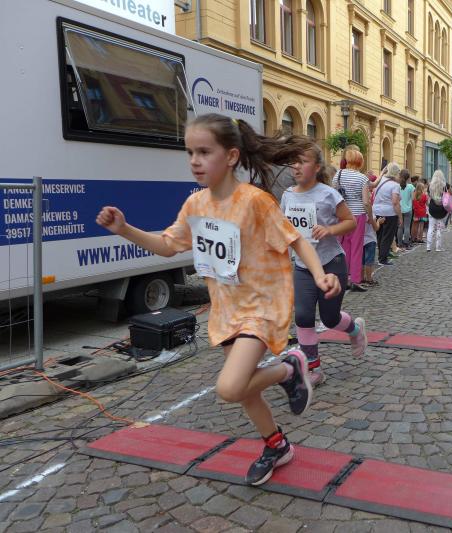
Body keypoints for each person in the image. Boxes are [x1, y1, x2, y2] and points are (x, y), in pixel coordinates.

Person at [96, 114, 340, 485]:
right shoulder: (195, 205)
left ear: (230, 156)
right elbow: (167, 245)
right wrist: (124, 229)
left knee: (229, 387)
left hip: (261, 306)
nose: (194, 161)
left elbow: (296, 241)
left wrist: (320, 275)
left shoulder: (255, 201)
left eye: (204, 152)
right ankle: (276, 445)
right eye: (190, 153)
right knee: (245, 390)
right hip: (226, 310)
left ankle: (290, 369)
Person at [281, 145, 367, 387]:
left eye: (302, 161)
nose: (296, 166)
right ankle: (313, 369)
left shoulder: (328, 194)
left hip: (331, 263)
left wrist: (329, 230)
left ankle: (355, 330)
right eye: (293, 161)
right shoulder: (287, 195)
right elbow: (283, 229)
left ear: (317, 167)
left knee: (329, 319)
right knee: (303, 316)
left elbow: (350, 222)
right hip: (302, 267)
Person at [332, 148, 370, 291]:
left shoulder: (338, 175)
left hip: (342, 214)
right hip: (358, 214)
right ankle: (355, 279)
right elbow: (366, 202)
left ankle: (344, 277)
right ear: (360, 162)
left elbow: (333, 195)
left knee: (344, 246)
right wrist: (370, 216)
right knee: (356, 248)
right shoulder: (362, 178)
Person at [373, 163, 403, 266]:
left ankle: (381, 256)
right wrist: (400, 217)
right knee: (388, 236)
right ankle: (383, 258)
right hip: (390, 213)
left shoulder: (380, 180)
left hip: (377, 211)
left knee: (380, 235)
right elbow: (395, 202)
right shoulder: (395, 185)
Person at [426, 170, 449, 252]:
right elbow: (446, 197)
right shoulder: (444, 186)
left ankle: (428, 246)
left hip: (432, 208)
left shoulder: (430, 186)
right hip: (441, 209)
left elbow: (428, 197)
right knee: (439, 228)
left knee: (431, 227)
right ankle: (438, 247)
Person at [362, 212, 381, 286]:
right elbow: (376, 228)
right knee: (369, 261)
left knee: (361, 261)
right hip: (370, 239)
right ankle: (369, 279)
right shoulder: (371, 214)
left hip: (361, 240)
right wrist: (378, 221)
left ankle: (362, 278)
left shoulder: (358, 213)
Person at [397, 169, 414, 249]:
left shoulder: (397, 186)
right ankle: (406, 243)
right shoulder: (411, 187)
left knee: (400, 227)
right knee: (407, 227)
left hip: (399, 209)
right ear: (408, 177)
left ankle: (399, 243)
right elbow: (413, 198)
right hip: (408, 209)